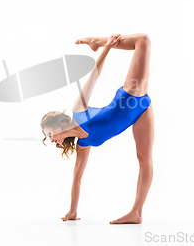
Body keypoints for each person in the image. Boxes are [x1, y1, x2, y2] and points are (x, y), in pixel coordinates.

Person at [40, 33, 154, 224]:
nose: (51, 139)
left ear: (58, 124)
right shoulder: (83, 144)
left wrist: (107, 47)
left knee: (143, 40)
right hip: (142, 112)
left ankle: (97, 42)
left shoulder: (79, 112)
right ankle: (136, 213)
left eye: (50, 134)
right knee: (145, 160)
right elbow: (76, 180)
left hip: (129, 97)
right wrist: (72, 211)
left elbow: (94, 76)